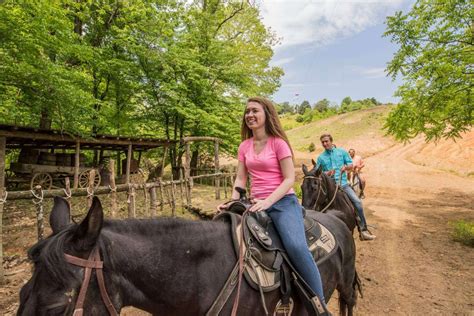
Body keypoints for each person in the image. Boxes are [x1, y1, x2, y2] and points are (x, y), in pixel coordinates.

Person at [218, 97, 330, 314]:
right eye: (247, 111)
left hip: (282, 202)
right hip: (254, 202)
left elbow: (289, 179)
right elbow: (241, 179)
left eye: (254, 111)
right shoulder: (244, 146)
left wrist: (268, 201)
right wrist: (233, 201)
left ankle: (320, 306)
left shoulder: (279, 143)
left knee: (296, 247)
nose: (249, 115)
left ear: (266, 114)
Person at [316, 134, 376, 241]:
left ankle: (363, 230)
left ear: (331, 141)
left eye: (326, 141)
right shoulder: (321, 158)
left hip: (343, 185)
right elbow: (317, 172)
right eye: (323, 142)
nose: (325, 144)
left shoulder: (342, 152)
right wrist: (327, 173)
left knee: (357, 202)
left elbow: (350, 165)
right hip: (328, 189)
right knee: (315, 205)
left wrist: (345, 167)